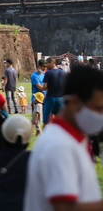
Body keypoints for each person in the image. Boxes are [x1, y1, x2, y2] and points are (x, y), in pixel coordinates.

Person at [24, 66, 103, 210]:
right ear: (74, 103)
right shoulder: (59, 146)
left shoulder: (73, 138)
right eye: (97, 108)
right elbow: (65, 207)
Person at [36, 57, 67, 125]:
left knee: (46, 122)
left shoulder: (49, 73)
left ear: (52, 63)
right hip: (61, 99)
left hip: (51, 98)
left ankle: (45, 135)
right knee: (60, 122)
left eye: (47, 64)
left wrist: (40, 87)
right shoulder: (64, 73)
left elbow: (45, 86)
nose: (46, 66)